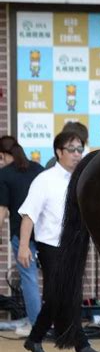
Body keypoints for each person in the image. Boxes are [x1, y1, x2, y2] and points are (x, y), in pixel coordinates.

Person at [17, 130, 100, 352]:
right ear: (58, 152)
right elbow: (28, 215)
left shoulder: (82, 180)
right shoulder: (44, 180)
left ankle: (34, 338)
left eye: (79, 149)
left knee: (57, 297)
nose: (77, 155)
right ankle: (81, 346)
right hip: (50, 245)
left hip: (75, 246)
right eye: (71, 150)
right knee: (65, 295)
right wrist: (23, 246)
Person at [0, 136, 43, 336]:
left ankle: (36, 325)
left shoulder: (4, 175)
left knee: (29, 279)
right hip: (44, 233)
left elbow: (1, 211)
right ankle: (48, 321)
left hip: (21, 233)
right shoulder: (38, 169)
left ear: (2, 155)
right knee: (49, 278)